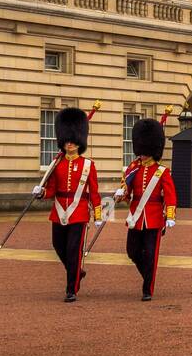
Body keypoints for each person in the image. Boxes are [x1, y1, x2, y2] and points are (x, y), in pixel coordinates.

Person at [33, 106, 102, 303]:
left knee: (73, 250)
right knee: (58, 246)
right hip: (59, 210)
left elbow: (94, 193)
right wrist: (42, 192)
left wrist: (98, 215)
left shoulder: (88, 165)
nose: (69, 144)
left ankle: (71, 289)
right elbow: (52, 190)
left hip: (79, 212)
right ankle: (76, 271)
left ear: (79, 142)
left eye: (72, 141)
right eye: (66, 141)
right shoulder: (57, 164)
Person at [114, 116, 176, 301]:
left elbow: (170, 195)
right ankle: (147, 276)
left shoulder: (162, 172)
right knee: (132, 251)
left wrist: (170, 215)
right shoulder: (133, 168)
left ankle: (147, 288)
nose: (141, 153)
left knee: (151, 255)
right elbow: (128, 191)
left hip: (154, 217)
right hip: (136, 216)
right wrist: (121, 194)